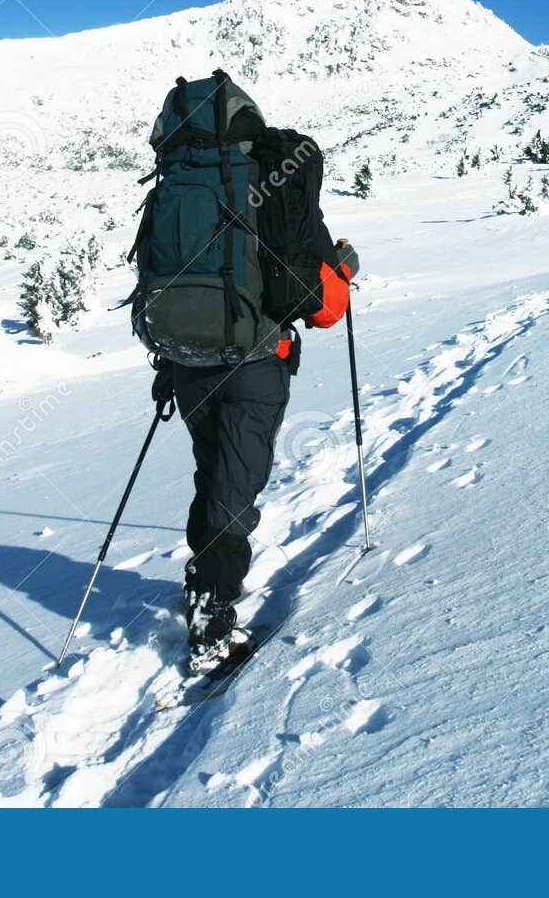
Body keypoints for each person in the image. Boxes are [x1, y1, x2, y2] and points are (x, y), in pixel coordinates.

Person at [138, 74, 358, 669]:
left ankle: (202, 580)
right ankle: (213, 617)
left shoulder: (176, 186)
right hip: (254, 364)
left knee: (214, 474)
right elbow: (321, 307)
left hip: (185, 361)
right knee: (235, 491)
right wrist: (342, 266)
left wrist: (168, 360)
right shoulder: (272, 181)